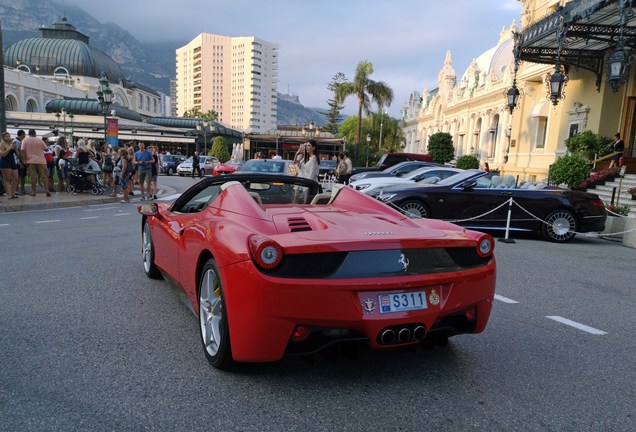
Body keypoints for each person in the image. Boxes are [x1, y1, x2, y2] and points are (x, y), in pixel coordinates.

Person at [21, 129, 52, 197]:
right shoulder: (40, 140)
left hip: (31, 161)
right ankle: (47, 190)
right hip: (41, 161)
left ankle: (33, 191)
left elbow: (22, 150)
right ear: (35, 133)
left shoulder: (25, 140)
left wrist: (24, 160)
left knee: (33, 177)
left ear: (28, 134)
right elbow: (46, 149)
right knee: (44, 176)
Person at [0, 132, 20, 199]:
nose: (8, 137)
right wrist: (10, 147)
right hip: (5, 162)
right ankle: (9, 195)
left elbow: (18, 155)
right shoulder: (2, 144)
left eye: (9, 136)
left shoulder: (12, 144)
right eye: (6, 136)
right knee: (7, 179)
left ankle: (13, 193)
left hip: (12, 162)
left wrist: (15, 148)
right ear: (3, 138)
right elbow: (3, 154)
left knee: (16, 179)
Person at [13, 130, 27, 195]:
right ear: (22, 134)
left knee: (22, 176)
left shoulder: (19, 141)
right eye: (24, 134)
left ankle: (22, 189)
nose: (25, 136)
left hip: (20, 161)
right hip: (18, 162)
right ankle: (17, 190)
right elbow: (18, 153)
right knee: (18, 176)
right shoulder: (17, 141)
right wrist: (21, 162)